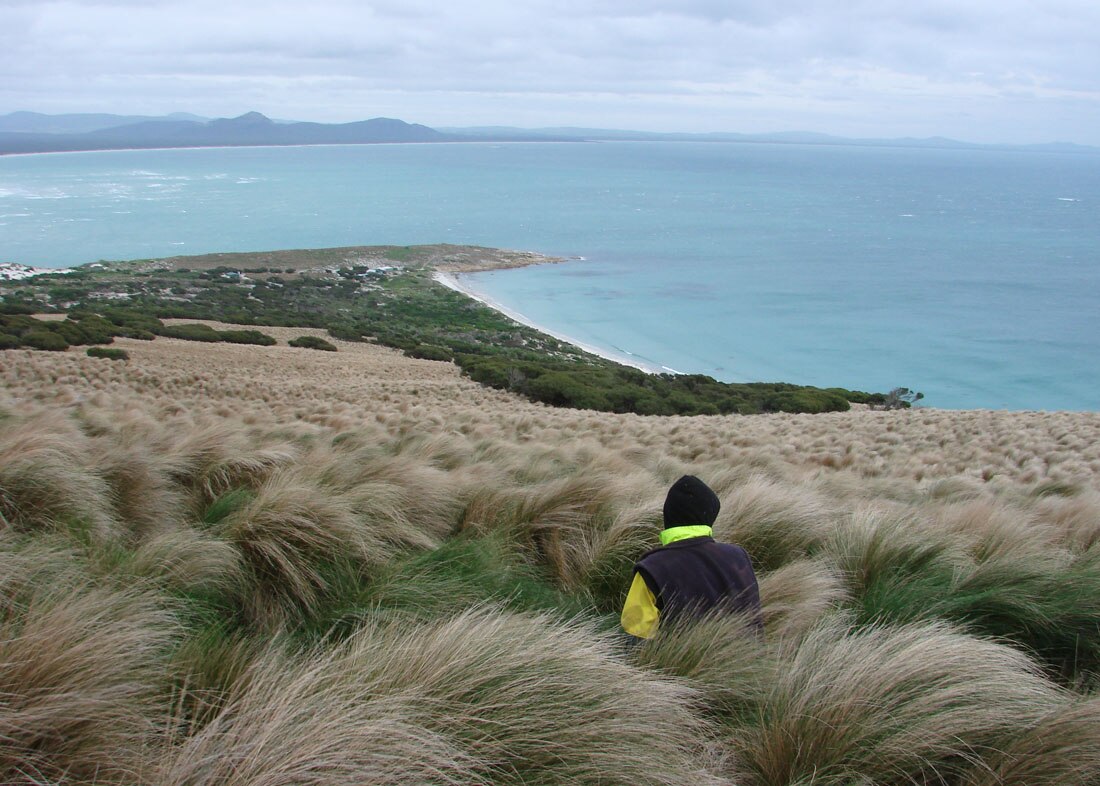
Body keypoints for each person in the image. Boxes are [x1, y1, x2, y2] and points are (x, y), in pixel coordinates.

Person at [621, 475, 761, 638]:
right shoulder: (739, 557)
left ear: (668, 516)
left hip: (680, 662)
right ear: (710, 516)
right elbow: (754, 628)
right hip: (748, 660)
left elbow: (635, 639)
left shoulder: (651, 569)